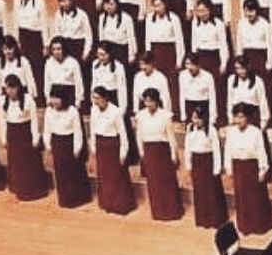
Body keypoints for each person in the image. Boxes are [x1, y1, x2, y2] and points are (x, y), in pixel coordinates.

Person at [135, 88, 185, 222]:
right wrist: (141, 152)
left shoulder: (165, 116)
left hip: (162, 152)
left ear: (157, 101)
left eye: (151, 101)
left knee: (166, 182)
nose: (148, 104)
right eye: (146, 101)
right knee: (154, 183)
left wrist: (174, 154)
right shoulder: (140, 116)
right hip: (149, 152)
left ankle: (172, 211)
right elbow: (139, 136)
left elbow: (171, 137)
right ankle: (158, 211)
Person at [0, 74, 49, 201]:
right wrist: (3, 138)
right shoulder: (3, 101)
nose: (10, 91)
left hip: (25, 133)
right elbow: (2, 120)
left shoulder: (28, 99)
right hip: (12, 134)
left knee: (28, 163)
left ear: (18, 87)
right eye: (7, 88)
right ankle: (17, 186)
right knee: (15, 162)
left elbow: (34, 120)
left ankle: (33, 189)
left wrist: (35, 137)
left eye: (13, 88)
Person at [225, 102, 272, 234]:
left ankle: (258, 225)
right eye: (236, 117)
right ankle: (245, 225)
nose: (239, 120)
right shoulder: (231, 132)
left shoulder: (256, 132)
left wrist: (262, 169)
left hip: (252, 167)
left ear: (247, 117)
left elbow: (261, 151)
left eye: (242, 117)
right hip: (238, 167)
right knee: (242, 197)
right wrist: (229, 168)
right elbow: (228, 151)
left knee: (255, 197)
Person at [89, 86, 136, 215]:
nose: (95, 101)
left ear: (106, 98)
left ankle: (120, 205)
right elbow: (93, 130)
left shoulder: (116, 111)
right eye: (94, 98)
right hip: (101, 145)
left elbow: (123, 134)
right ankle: (107, 203)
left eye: (98, 98)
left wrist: (123, 152)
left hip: (113, 146)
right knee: (104, 176)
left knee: (117, 176)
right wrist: (93, 146)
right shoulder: (93, 110)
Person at [44, 91, 93, 209]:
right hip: (57, 144)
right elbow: (47, 129)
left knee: (74, 172)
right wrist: (48, 146)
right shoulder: (49, 111)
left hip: (70, 143)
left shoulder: (72, 111)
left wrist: (77, 148)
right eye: (52, 98)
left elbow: (78, 131)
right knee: (61, 172)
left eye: (57, 98)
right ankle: (65, 199)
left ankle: (78, 198)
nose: (54, 101)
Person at [184, 106, 227, 228]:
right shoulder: (190, 129)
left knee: (211, 191)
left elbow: (216, 150)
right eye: (193, 118)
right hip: (196, 162)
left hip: (208, 161)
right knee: (199, 190)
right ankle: (203, 219)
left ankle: (215, 219)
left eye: (198, 118)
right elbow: (187, 148)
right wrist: (188, 164)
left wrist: (217, 168)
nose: (195, 121)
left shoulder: (211, 130)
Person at [13, 0, 49, 92]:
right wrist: (16, 40)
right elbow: (15, 22)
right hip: (23, 36)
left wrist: (46, 45)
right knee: (24, 66)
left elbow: (44, 24)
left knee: (37, 67)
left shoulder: (39, 1)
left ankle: (40, 94)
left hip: (36, 38)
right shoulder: (16, 0)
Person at [235, 0, 272, 88]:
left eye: (251, 11)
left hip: (260, 58)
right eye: (246, 11)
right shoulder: (241, 23)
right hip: (247, 58)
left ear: (257, 10)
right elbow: (239, 44)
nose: (248, 14)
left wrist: (269, 63)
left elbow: (271, 46)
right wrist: (239, 61)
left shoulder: (265, 24)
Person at [226, 55, 270, 128]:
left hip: (252, 117)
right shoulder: (231, 79)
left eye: (242, 68)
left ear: (248, 67)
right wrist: (230, 119)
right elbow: (230, 101)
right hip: (238, 117)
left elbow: (263, 101)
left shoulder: (258, 81)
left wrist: (264, 121)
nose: (240, 71)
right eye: (237, 68)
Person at [44, 36, 84, 110]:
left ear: (64, 49)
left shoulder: (73, 62)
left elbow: (78, 82)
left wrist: (78, 100)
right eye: (53, 49)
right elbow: (47, 81)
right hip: (55, 95)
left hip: (69, 94)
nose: (56, 52)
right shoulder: (49, 62)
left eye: (59, 49)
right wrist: (48, 98)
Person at [179, 52, 218, 128]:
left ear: (198, 65)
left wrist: (212, 118)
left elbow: (212, 97)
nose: (189, 67)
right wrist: (183, 116)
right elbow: (182, 95)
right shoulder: (182, 75)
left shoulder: (208, 76)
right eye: (187, 64)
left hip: (203, 106)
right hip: (189, 106)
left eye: (192, 64)